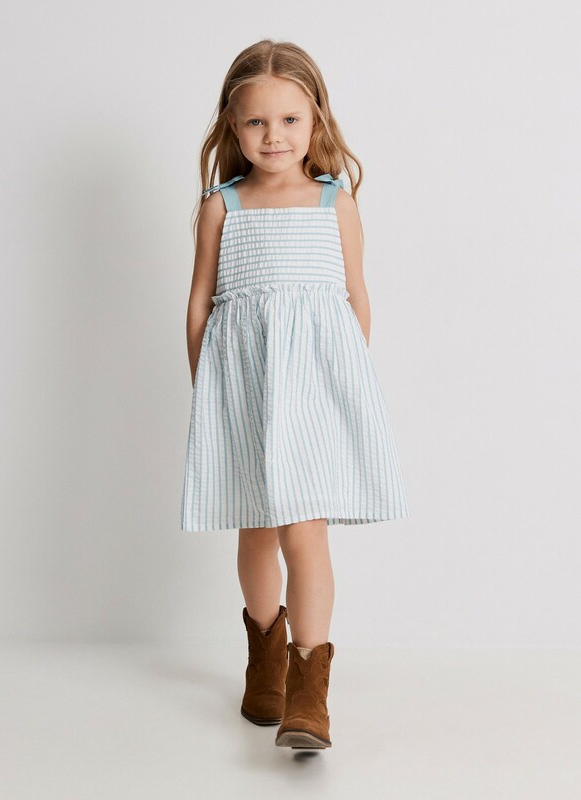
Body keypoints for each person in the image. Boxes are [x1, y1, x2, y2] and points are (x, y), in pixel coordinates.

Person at [180, 39, 410, 750]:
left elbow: (354, 300)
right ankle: (265, 664)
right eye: (256, 122)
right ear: (233, 125)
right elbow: (200, 302)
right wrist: (207, 390)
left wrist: (342, 388)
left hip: (313, 396)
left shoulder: (334, 202)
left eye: (289, 120)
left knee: (304, 531)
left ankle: (310, 690)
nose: (273, 136)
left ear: (316, 121)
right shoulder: (222, 207)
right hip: (245, 393)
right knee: (256, 527)